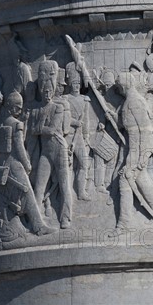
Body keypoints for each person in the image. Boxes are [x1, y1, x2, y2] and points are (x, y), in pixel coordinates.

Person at [0, 91, 57, 235]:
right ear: (11, 107)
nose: (20, 111)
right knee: (28, 193)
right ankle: (38, 227)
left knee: (15, 195)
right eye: (18, 108)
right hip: (15, 164)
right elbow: (19, 147)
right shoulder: (16, 125)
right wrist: (27, 164)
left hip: (3, 164)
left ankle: (25, 224)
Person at [115, 72, 153, 230]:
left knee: (125, 178)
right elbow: (125, 124)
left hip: (139, 148)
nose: (118, 91)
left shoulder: (134, 102)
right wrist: (112, 116)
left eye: (119, 88)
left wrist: (142, 156)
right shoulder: (130, 101)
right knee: (142, 180)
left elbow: (145, 130)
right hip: (135, 148)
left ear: (125, 86)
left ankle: (125, 223)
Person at [27, 60, 74, 228]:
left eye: (49, 91)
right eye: (44, 91)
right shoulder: (36, 110)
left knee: (64, 185)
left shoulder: (58, 108)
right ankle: (37, 221)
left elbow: (53, 129)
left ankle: (65, 218)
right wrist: (40, 129)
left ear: (53, 91)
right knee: (39, 187)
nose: (47, 93)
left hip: (59, 148)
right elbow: (33, 132)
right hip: (46, 152)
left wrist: (39, 128)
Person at [64, 62, 92, 201]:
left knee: (84, 163)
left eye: (78, 83)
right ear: (70, 83)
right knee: (66, 165)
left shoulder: (85, 99)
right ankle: (66, 192)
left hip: (80, 136)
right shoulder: (65, 99)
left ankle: (81, 192)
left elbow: (86, 120)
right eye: (74, 83)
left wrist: (86, 136)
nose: (76, 86)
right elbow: (63, 119)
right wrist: (75, 122)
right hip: (68, 136)